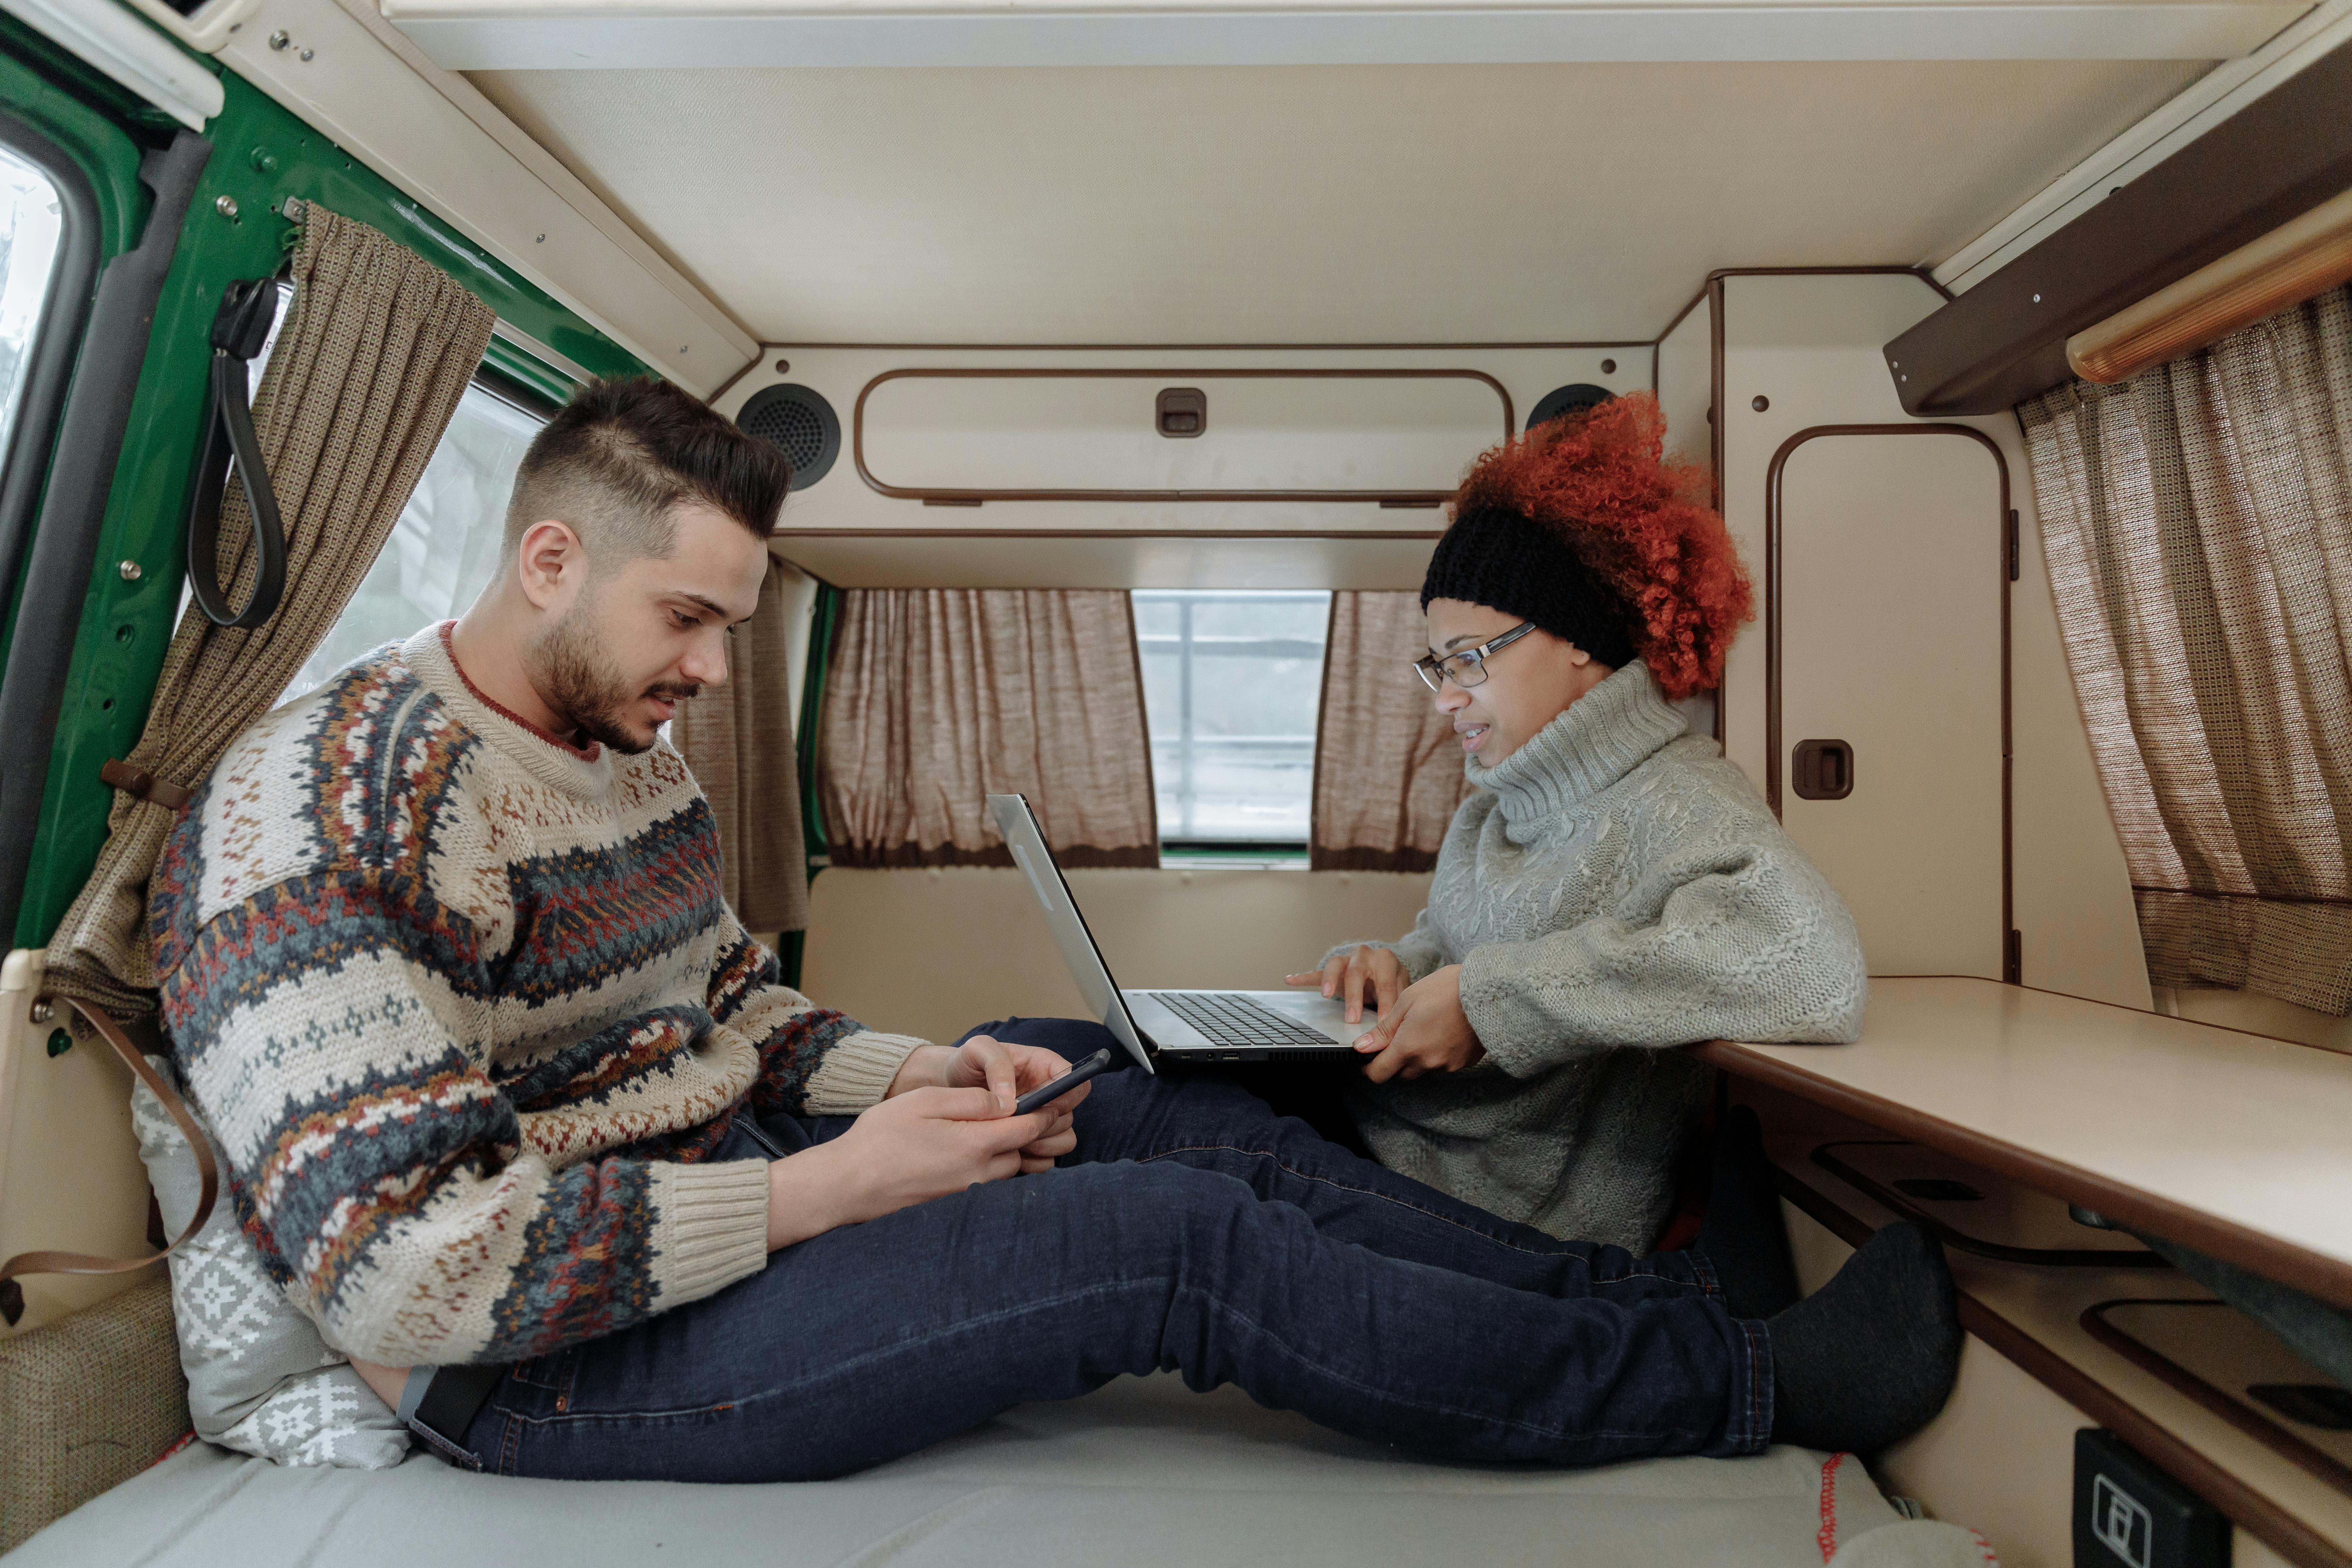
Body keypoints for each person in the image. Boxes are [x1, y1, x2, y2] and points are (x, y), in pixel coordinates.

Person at [150, 377, 1956, 1484]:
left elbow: (729, 1014)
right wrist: (830, 1187)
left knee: (1142, 1100)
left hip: (709, 1179)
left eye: (732, 625)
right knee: (1175, 1245)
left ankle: (1630, 1292)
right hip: (546, 1355)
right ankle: (1730, 1376)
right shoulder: (314, 816)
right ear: (546, 560)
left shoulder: (629, 752)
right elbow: (413, 1266)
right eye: (689, 617)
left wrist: (924, 1076)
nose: (713, 670)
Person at [1291, 395, 1868, 1252]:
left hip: (1503, 1208)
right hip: (1399, 1138)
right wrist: (1390, 970)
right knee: (1123, 1087)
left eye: (1468, 660)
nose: (1446, 696)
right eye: (1435, 665)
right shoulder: (1493, 803)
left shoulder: (1677, 799)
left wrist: (1490, 1004)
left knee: (1165, 1132)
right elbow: (1455, 951)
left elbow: (1814, 969)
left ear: (1574, 639)